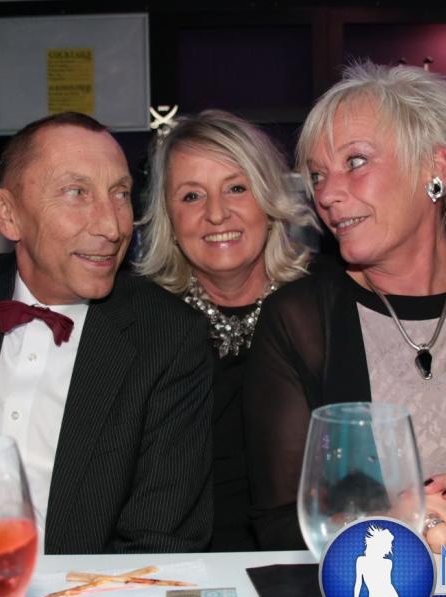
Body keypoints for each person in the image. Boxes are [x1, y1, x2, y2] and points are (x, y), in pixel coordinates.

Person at [244, 61, 446, 554]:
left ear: (434, 167)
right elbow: (280, 521)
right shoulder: (299, 319)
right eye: (317, 175)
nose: (327, 194)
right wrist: (403, 525)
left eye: (356, 161)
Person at [0, 112, 214, 555]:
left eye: (120, 194)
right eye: (76, 192)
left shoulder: (168, 338)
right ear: (7, 213)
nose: (112, 227)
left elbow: (159, 542)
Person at [136, 109, 317, 550]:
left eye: (237, 188)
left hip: (307, 557)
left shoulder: (324, 304)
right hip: (180, 564)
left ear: (269, 202)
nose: (216, 214)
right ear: (169, 220)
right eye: (192, 196)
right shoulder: (140, 322)